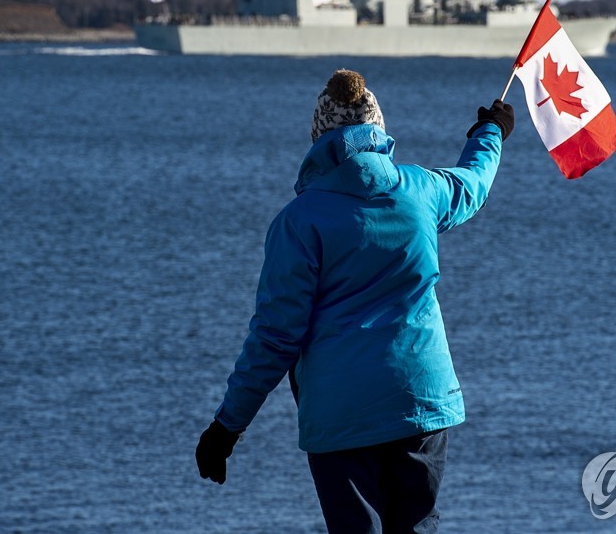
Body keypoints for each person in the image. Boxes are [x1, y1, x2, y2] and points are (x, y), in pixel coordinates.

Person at [196, 69, 514, 533]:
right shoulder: (420, 191)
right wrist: (491, 131)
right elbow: (472, 183)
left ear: (317, 138)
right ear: (378, 129)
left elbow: (276, 335)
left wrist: (228, 427)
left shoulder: (299, 222)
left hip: (341, 415)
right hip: (419, 399)